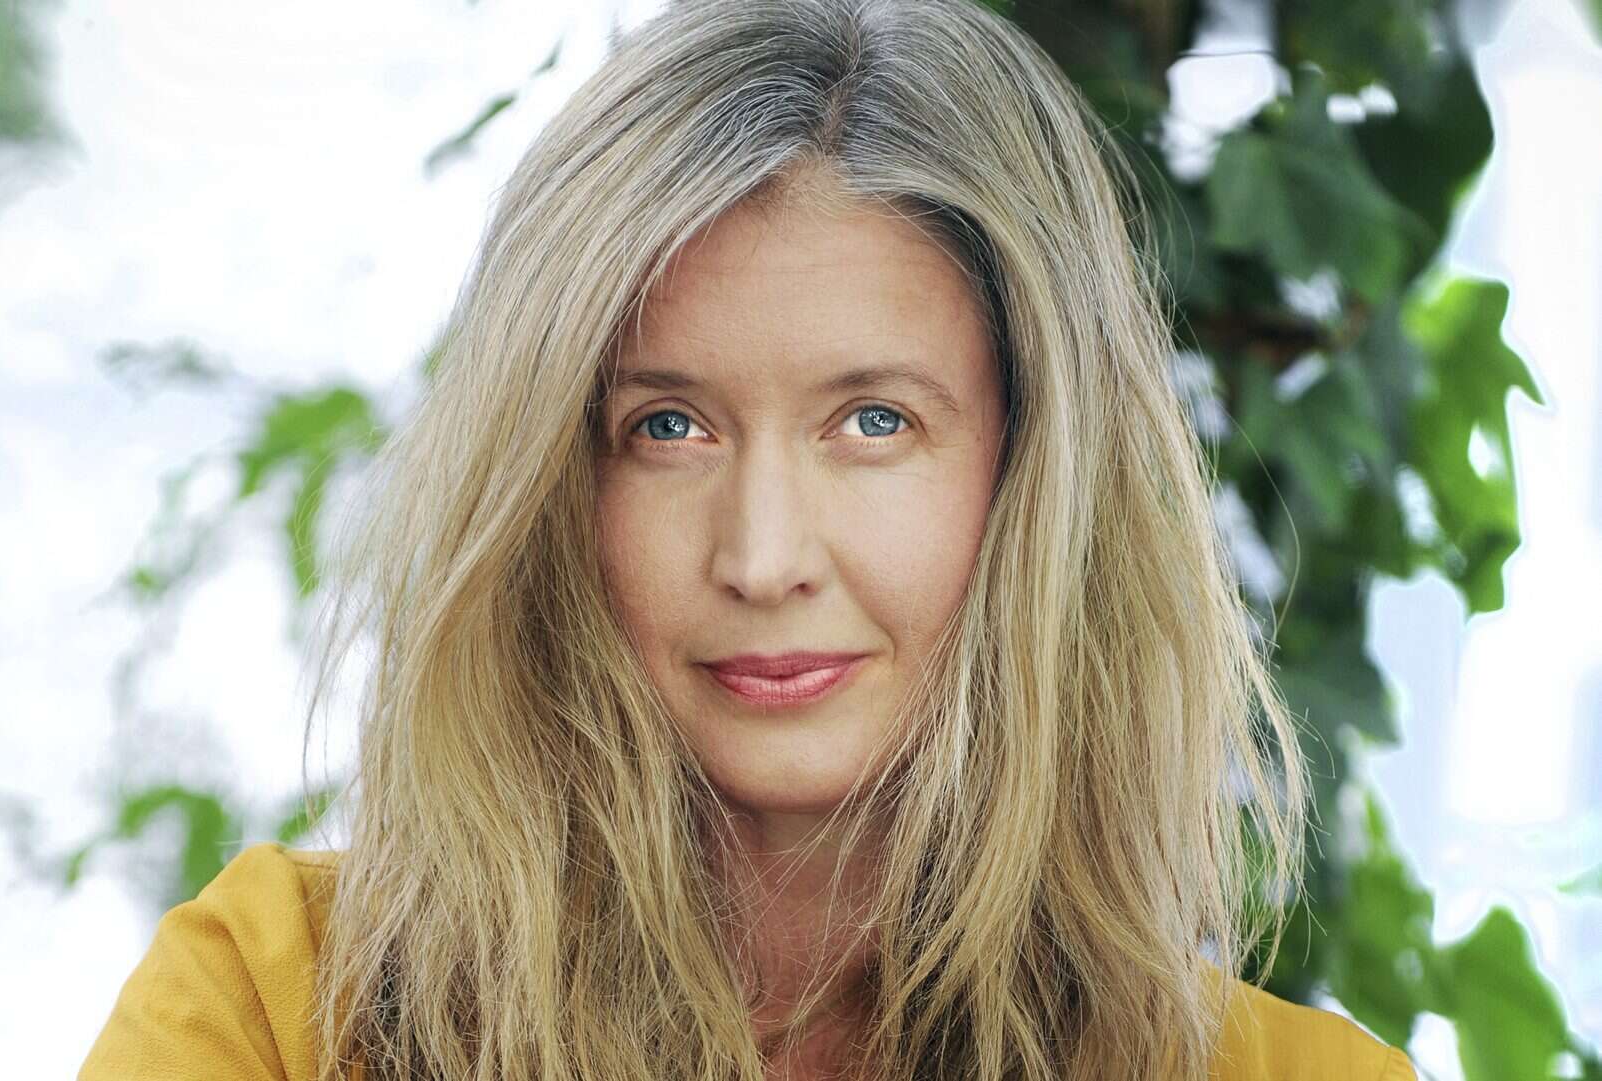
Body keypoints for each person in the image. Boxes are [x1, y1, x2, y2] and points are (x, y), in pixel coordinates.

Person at [79, 1, 1417, 1079]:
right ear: (551, 480)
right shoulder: (276, 1011)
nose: (765, 558)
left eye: (875, 421)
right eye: (667, 427)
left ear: (1032, 473)